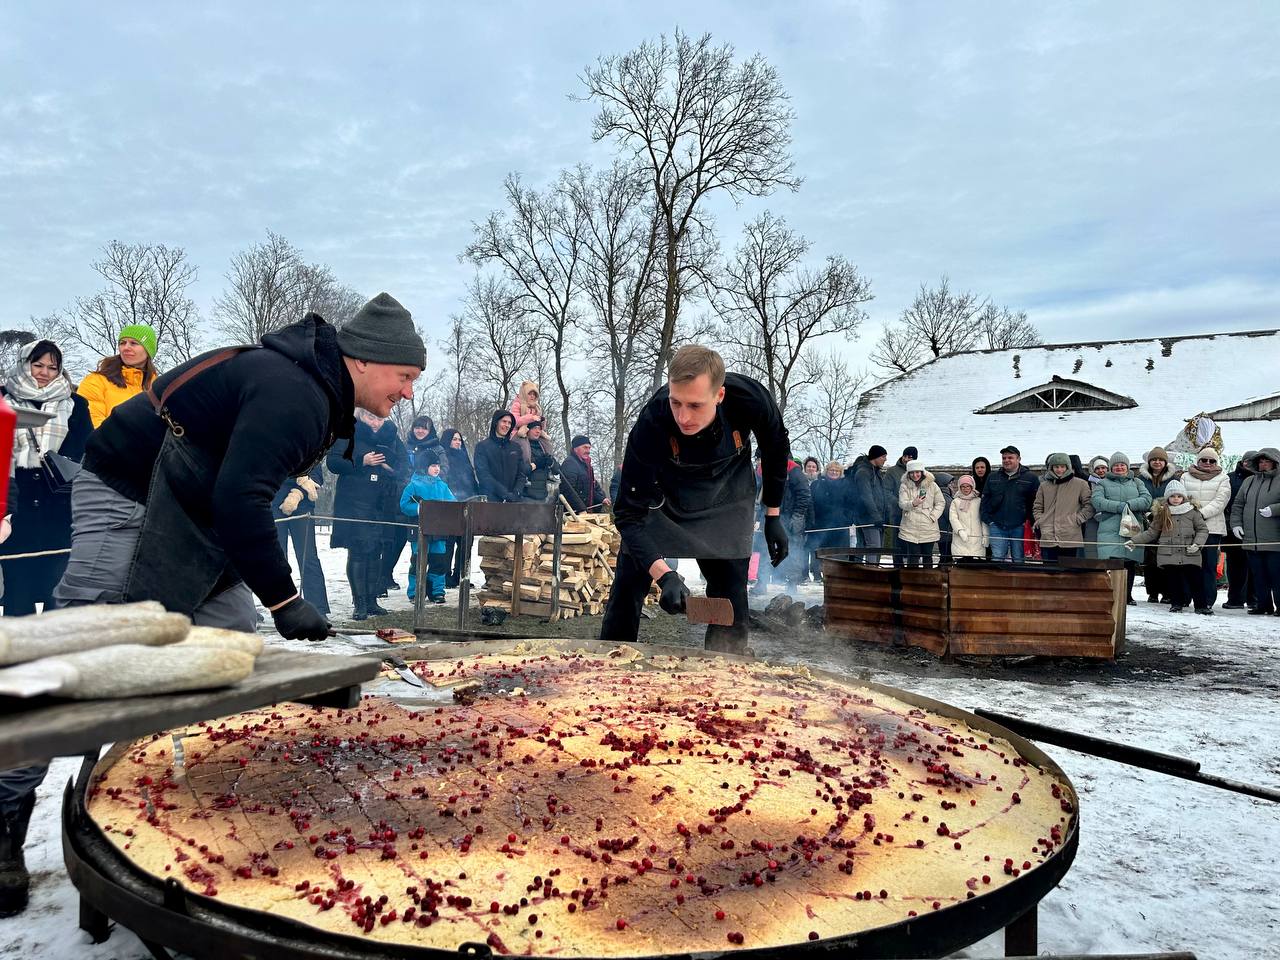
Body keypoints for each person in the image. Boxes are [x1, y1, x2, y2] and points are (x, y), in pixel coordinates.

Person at [27, 296, 422, 920]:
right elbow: (242, 499)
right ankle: (6, 821)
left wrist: (263, 591)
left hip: (196, 504)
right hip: (127, 485)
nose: (406, 392)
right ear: (367, 362)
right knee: (85, 653)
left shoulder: (318, 392)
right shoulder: (295, 393)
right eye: (405, 378)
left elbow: (244, 493)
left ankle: (145, 785)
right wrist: (287, 600)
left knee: (230, 626)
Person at [600, 345, 790, 653]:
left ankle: (724, 671)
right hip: (666, 500)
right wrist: (665, 576)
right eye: (676, 403)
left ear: (720, 396)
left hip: (727, 498)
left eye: (695, 405)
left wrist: (773, 516)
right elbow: (627, 514)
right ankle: (607, 667)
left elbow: (776, 449)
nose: (683, 417)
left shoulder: (751, 400)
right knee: (627, 584)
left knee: (730, 597)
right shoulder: (652, 422)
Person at [0, 340, 93, 616]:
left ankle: (56, 651)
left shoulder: (75, 403)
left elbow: (85, 447)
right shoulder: (4, 399)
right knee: (17, 589)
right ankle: (18, 653)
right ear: (24, 363)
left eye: (52, 367)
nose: (44, 372)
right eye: (37, 364)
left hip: (59, 501)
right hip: (18, 500)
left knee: (59, 587)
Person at [328, 409, 406, 620]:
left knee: (377, 551)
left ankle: (372, 601)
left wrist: (386, 465)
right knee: (360, 550)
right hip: (355, 501)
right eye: (371, 417)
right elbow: (333, 463)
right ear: (361, 415)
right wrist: (362, 461)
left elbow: (404, 468)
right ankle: (359, 603)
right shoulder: (348, 432)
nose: (375, 423)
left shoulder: (391, 437)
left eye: (379, 418)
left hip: (383, 503)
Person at [1126, 479, 1208, 613]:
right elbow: (1152, 532)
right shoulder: (1162, 513)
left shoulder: (1193, 512)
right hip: (1168, 554)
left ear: (1184, 497)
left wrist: (1197, 544)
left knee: (1196, 580)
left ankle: (1201, 606)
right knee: (1174, 581)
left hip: (1190, 552)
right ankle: (1176, 604)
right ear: (1167, 497)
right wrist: (1135, 541)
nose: (1176, 499)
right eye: (1173, 496)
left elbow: (1202, 529)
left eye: (1179, 496)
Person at [1092, 452, 1152, 605]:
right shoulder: (1102, 483)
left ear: (1127, 466)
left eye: (1122, 465)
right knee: (1112, 562)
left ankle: (1127, 595)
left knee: (1129, 562)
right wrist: (1118, 507)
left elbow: (1147, 499)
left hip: (1132, 526)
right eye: (1116, 465)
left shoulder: (1137, 482)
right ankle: (1110, 593)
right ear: (1112, 467)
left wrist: (1130, 505)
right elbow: (1097, 501)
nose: (1119, 467)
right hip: (1109, 527)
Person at [400, 448, 456, 604]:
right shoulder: (413, 485)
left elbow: (452, 503)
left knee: (439, 561)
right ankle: (415, 591)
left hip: (439, 530)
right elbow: (404, 504)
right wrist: (418, 509)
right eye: (433, 465)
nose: (437, 468)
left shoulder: (443, 486)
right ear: (424, 467)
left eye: (438, 465)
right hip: (420, 530)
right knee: (419, 561)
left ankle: (436, 591)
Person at [271, 466, 328, 617]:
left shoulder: (308, 446)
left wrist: (297, 494)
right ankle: (282, 609)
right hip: (273, 504)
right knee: (277, 559)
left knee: (308, 557)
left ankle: (318, 608)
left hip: (303, 507)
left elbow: (317, 477)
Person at [1229, 448, 1280, 616]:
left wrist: (1274, 509)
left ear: (1275, 462)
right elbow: (1238, 505)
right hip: (1252, 538)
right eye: (1260, 461)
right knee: (1258, 575)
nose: (1263, 464)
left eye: (1266, 461)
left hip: (1274, 539)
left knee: (1276, 575)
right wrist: (1236, 524)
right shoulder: (1249, 481)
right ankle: (1263, 605)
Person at [76, 324, 158, 428]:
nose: (126, 348)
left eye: (134, 343)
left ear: (148, 350)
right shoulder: (96, 381)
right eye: (122, 343)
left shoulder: (157, 390)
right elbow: (91, 422)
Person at [1180, 447, 1231, 613]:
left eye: (1212, 461)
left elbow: (1221, 501)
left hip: (1212, 528)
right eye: (1204, 460)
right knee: (1188, 563)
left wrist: (1200, 514)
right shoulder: (1185, 477)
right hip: (1189, 526)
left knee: (1208, 566)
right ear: (1198, 461)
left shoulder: (1223, 478)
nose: (1207, 463)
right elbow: (1180, 497)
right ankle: (1185, 598)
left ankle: (1207, 600)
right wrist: (1191, 516)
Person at [1137, 446, 1182, 603]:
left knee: (1166, 557)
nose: (1157, 462)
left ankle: (1167, 592)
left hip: (1167, 521)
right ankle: (1152, 591)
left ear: (1165, 462)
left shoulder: (1174, 480)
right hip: (1146, 520)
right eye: (1154, 459)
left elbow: (1179, 498)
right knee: (1150, 559)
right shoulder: (1141, 479)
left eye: (1160, 460)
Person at [980, 445, 1040, 562]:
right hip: (997, 525)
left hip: (1020, 525)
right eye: (1004, 458)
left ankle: (1018, 580)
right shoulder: (993, 477)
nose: (1006, 460)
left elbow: (1036, 502)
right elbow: (985, 499)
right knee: (997, 558)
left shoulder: (1030, 478)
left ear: (1018, 459)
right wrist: (988, 520)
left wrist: (1029, 521)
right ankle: (999, 580)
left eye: (1010, 458)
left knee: (1018, 558)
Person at [1032, 452, 1095, 562]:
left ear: (1068, 467)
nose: (1059, 470)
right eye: (1056, 467)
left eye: (1062, 467)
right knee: (1049, 571)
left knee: (1068, 572)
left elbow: (1089, 505)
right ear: (1051, 468)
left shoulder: (1080, 484)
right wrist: (1040, 520)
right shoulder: (1044, 486)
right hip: (1048, 535)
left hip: (1070, 535)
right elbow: (1037, 507)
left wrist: (1077, 519)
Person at [438, 427, 479, 588]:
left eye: (459, 440)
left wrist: (476, 494)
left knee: (466, 543)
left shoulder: (464, 457)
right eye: (454, 439)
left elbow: (470, 478)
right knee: (448, 543)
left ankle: (462, 576)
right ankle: (446, 576)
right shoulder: (444, 457)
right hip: (449, 505)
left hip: (467, 503)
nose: (457, 442)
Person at [1223, 451, 1257, 610]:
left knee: (1254, 564)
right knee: (1235, 565)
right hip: (1233, 526)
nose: (1248, 464)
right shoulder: (1230, 478)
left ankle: (1253, 598)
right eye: (1246, 461)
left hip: (1256, 526)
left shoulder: (1262, 479)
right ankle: (1235, 599)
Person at [896, 460, 944, 568]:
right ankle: (912, 582)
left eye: (917, 472)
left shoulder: (932, 485)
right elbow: (902, 504)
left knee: (927, 556)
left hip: (928, 527)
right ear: (908, 473)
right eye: (912, 472)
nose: (915, 475)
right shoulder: (904, 486)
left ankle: (928, 581)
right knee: (913, 557)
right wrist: (913, 503)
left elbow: (940, 503)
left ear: (922, 472)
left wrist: (933, 516)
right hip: (910, 526)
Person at [849, 445, 893, 564]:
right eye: (883, 456)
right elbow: (866, 497)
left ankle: (871, 573)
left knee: (876, 549)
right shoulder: (863, 473)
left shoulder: (877, 472)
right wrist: (876, 517)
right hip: (867, 517)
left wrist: (886, 516)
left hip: (878, 517)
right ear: (875, 457)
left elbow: (882, 496)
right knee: (873, 548)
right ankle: (871, 574)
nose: (885, 459)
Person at [474, 409, 529, 502]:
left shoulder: (515, 447)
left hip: (514, 500)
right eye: (504, 421)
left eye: (509, 423)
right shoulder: (482, 446)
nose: (507, 425)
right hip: (490, 500)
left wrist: (517, 492)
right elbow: (483, 475)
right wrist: (504, 494)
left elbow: (522, 474)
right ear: (496, 423)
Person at [809, 461, 853, 573]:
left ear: (840, 472)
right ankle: (817, 573)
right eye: (831, 470)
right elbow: (811, 503)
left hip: (840, 524)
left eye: (837, 470)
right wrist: (812, 520)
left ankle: (837, 574)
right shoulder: (817, 484)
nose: (834, 472)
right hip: (821, 524)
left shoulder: (846, 485)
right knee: (820, 549)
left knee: (839, 552)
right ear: (826, 471)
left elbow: (851, 503)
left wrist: (847, 518)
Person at [779, 458, 813, 587]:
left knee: (794, 548)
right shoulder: (771, 468)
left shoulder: (794, 471)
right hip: (777, 515)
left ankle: (793, 582)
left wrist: (798, 515)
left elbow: (804, 494)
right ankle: (771, 579)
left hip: (791, 516)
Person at [561, 435, 610, 513]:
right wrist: (581, 509)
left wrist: (602, 499)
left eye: (589, 448)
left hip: (585, 511)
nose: (588, 451)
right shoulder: (570, 463)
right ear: (575, 448)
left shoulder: (587, 466)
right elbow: (568, 490)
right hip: (573, 513)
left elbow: (591, 488)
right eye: (585, 447)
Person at [948, 475, 988, 558]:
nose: (965, 489)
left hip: (976, 539)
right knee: (961, 564)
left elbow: (983, 519)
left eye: (968, 486)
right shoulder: (955, 501)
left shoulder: (978, 501)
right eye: (963, 486)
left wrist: (986, 535)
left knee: (976, 565)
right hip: (960, 539)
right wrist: (960, 530)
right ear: (959, 487)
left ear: (972, 487)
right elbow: (953, 518)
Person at [523, 420, 559, 502]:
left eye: (539, 428)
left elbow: (557, 470)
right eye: (534, 428)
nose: (538, 431)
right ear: (527, 429)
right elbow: (519, 470)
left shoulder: (545, 447)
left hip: (543, 494)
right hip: (526, 494)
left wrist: (551, 462)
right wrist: (537, 464)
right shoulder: (521, 446)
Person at [509, 380, 542, 465]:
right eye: (530, 394)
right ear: (524, 393)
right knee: (524, 446)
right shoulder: (517, 405)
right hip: (518, 433)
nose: (532, 396)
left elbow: (538, 423)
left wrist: (542, 421)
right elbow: (515, 421)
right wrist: (531, 418)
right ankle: (527, 466)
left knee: (546, 442)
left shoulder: (536, 408)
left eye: (534, 394)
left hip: (531, 432)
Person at [1083, 456, 1110, 558]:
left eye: (1103, 468)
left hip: (1108, 515)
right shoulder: (1088, 482)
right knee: (1092, 543)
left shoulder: (1112, 481)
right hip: (1092, 516)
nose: (1101, 471)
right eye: (1097, 468)